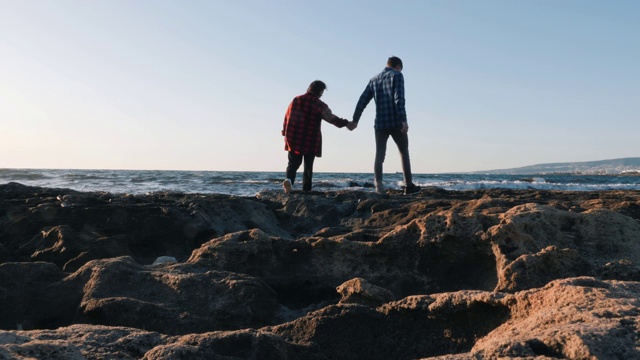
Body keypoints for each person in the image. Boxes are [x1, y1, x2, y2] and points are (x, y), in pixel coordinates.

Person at [350, 56, 420, 195]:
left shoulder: (374, 80)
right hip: (395, 121)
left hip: (380, 123)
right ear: (398, 66)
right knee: (403, 152)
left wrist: (355, 120)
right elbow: (399, 98)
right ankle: (409, 186)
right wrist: (404, 120)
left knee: (379, 155)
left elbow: (362, 101)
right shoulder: (397, 76)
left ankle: (379, 188)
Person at [281, 80, 353, 193]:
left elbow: (287, 117)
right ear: (320, 91)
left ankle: (289, 181)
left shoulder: (296, 100)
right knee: (308, 167)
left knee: (292, 164)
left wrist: (284, 133)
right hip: (310, 139)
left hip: (294, 137)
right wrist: (346, 123)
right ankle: (306, 191)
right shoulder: (319, 104)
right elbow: (332, 119)